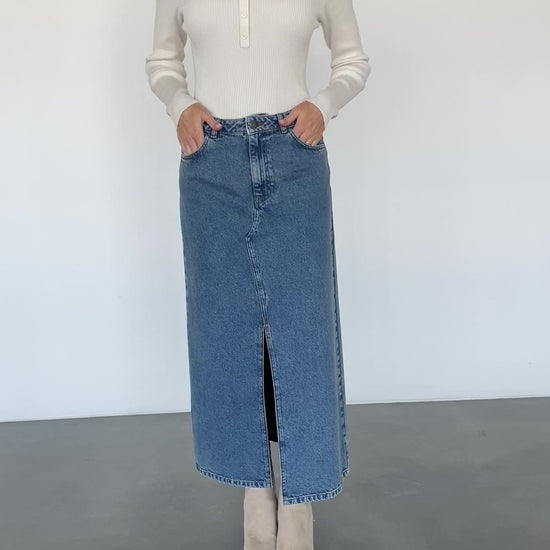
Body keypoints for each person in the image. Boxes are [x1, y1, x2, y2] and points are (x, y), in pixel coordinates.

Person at [145, 1, 371, 548]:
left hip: (294, 156)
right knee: (226, 331)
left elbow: (353, 62)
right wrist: (180, 104)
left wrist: (322, 106)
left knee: (302, 331)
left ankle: (299, 501)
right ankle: (255, 489)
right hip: (210, 162)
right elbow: (162, 61)